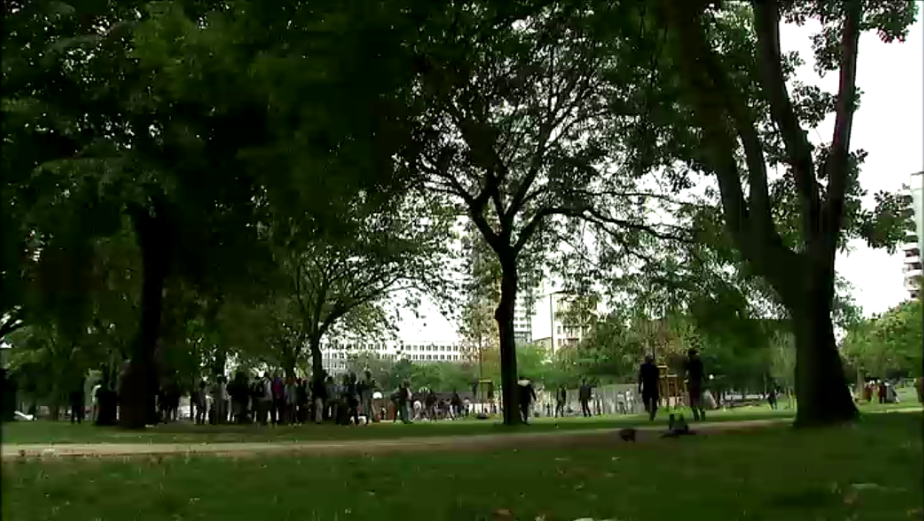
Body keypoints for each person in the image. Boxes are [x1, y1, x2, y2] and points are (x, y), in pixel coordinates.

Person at [684, 349, 705, 421]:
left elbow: (687, 372)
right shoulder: (698, 362)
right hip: (697, 382)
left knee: (693, 400)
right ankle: (701, 413)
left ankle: (697, 415)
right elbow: (702, 372)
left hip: (693, 382)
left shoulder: (690, 362)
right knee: (698, 399)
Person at [638, 355, 660, 422]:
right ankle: (652, 413)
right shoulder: (652, 367)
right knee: (650, 403)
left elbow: (640, 377)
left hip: (649, 386)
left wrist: (639, 386)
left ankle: (651, 413)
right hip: (651, 386)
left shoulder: (652, 367)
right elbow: (657, 379)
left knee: (648, 402)